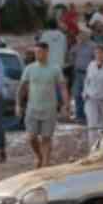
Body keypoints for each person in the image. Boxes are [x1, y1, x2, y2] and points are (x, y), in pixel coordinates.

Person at [18, 41, 69, 169]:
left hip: (49, 109)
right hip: (32, 108)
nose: (37, 55)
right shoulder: (29, 69)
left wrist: (66, 105)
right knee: (31, 137)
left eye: (40, 52)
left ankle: (45, 163)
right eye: (36, 52)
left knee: (46, 137)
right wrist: (18, 104)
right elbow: (22, 88)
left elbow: (62, 87)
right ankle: (39, 156)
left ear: (47, 52)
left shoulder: (55, 69)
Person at [69, 30, 96, 123]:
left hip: (88, 73)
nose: (80, 37)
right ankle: (79, 116)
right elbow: (71, 54)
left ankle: (88, 116)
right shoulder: (77, 46)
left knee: (87, 95)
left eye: (82, 35)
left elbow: (95, 58)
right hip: (78, 73)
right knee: (77, 94)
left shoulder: (93, 46)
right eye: (79, 36)